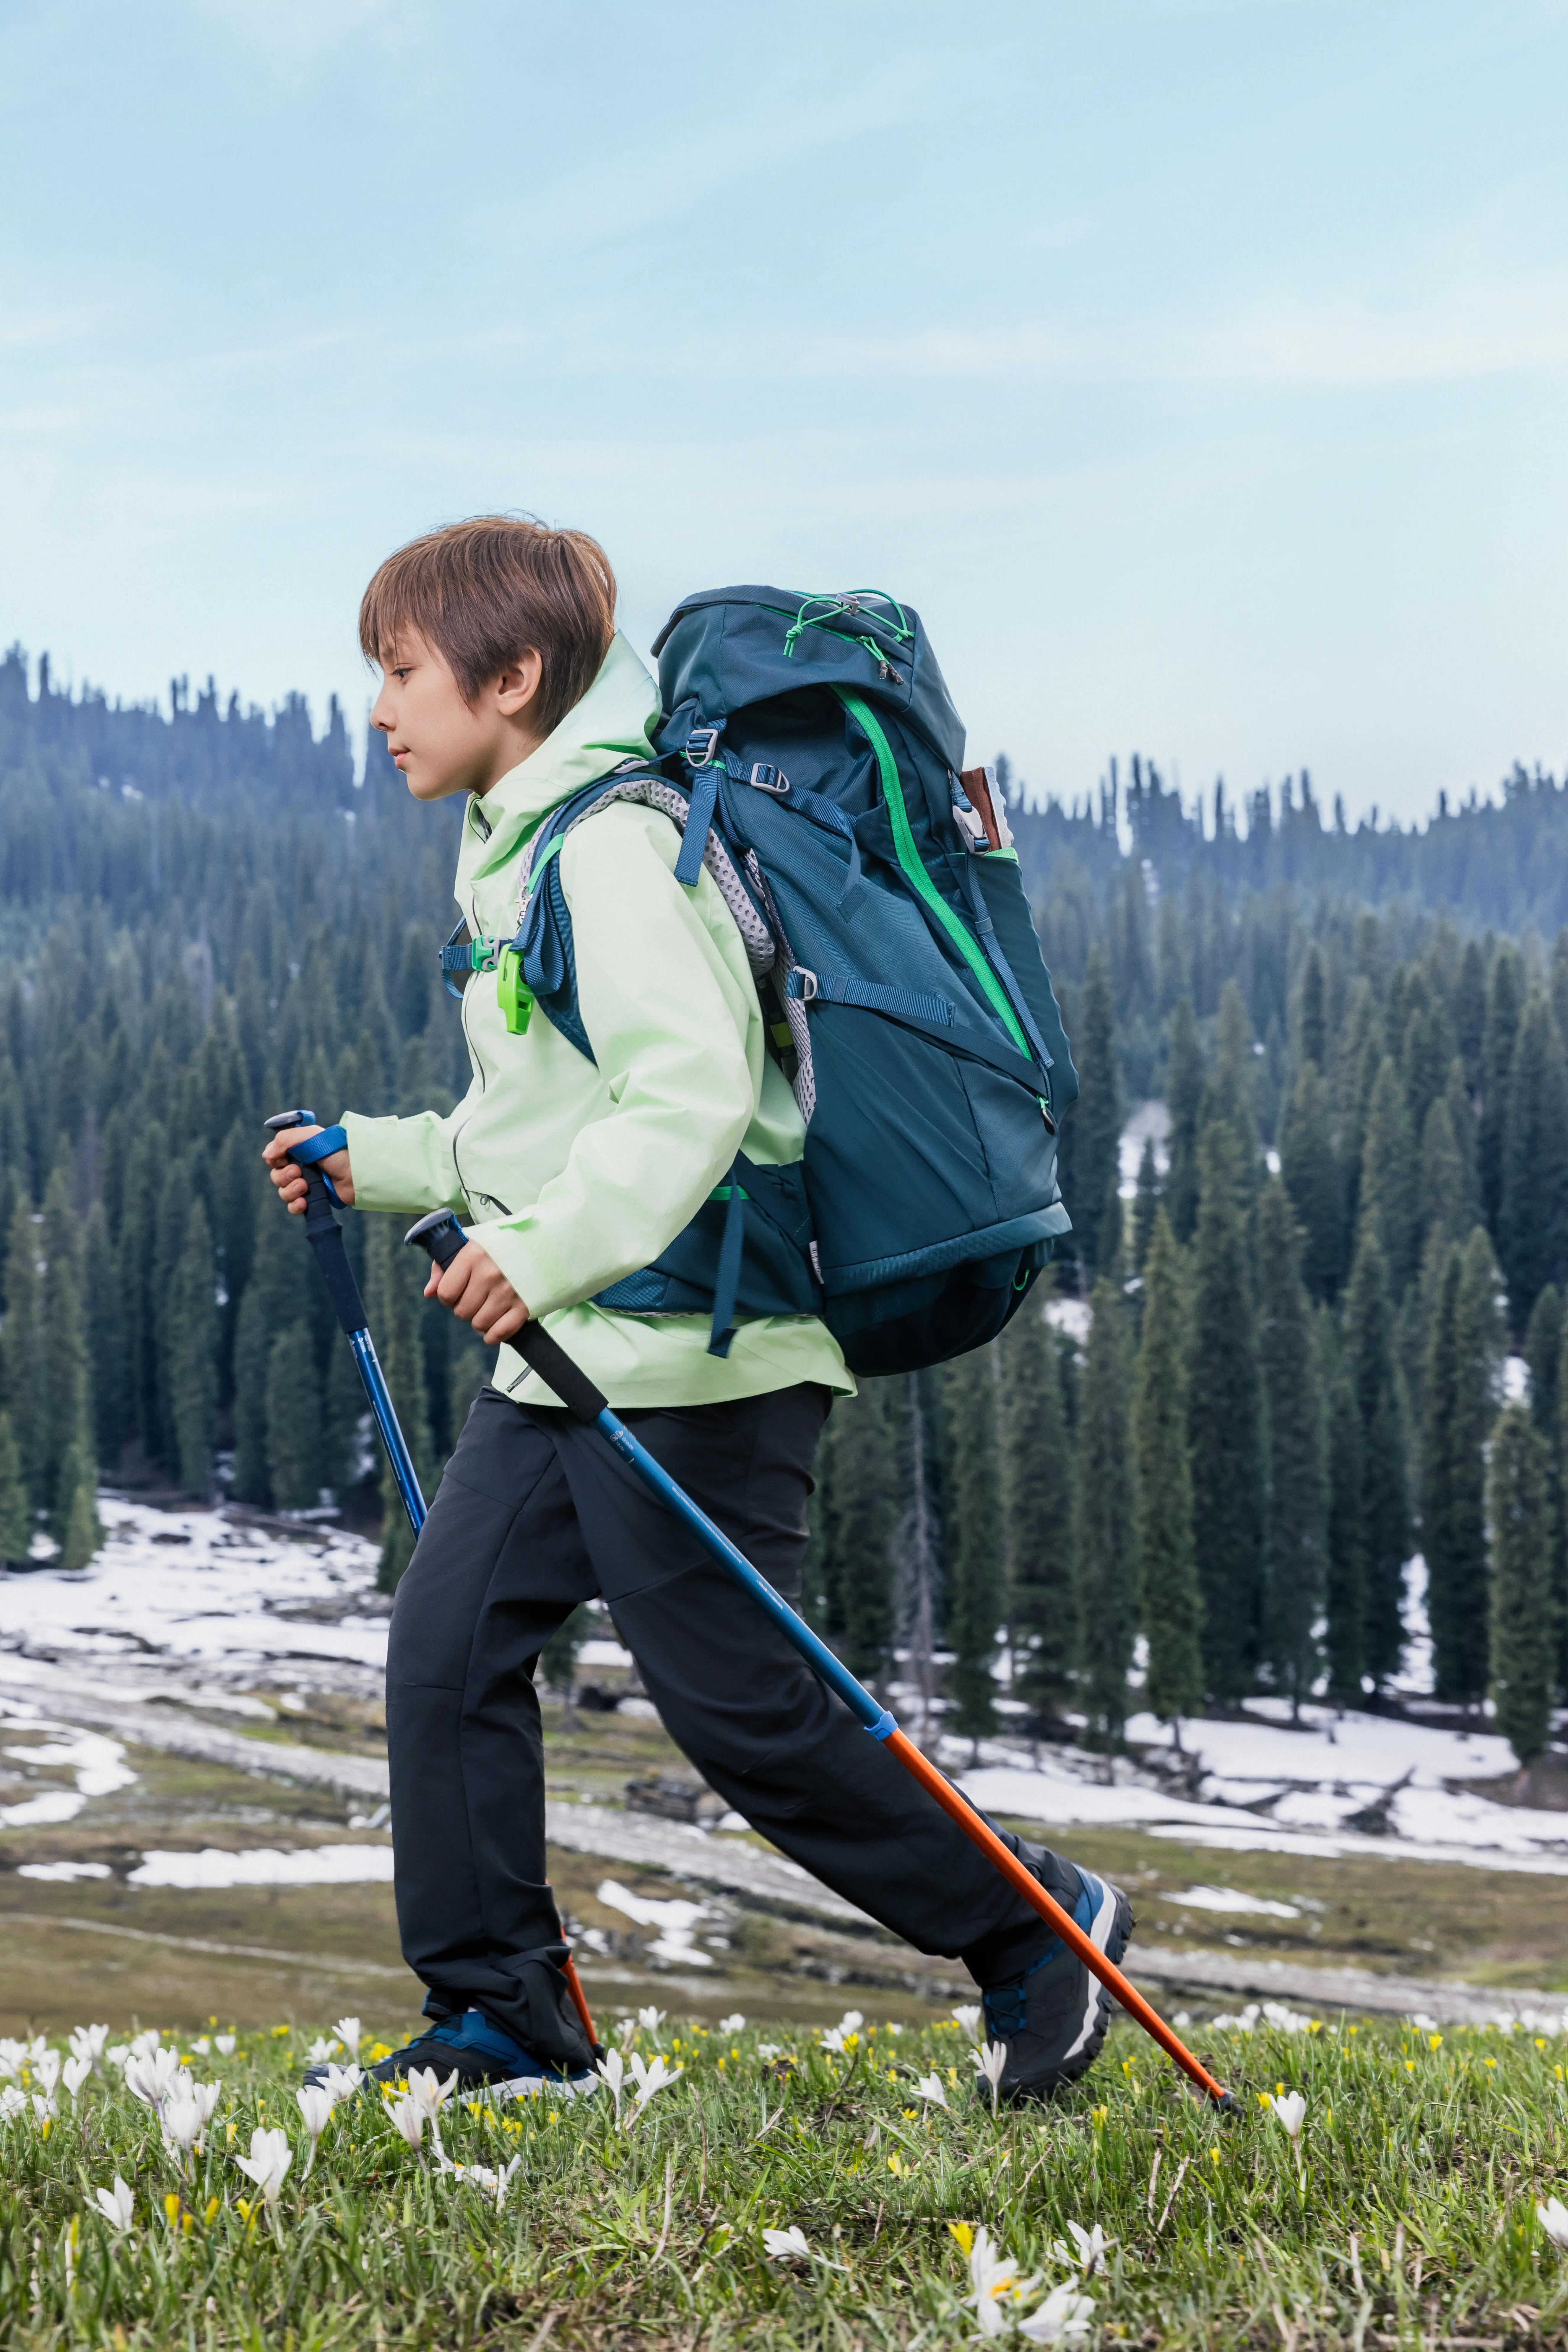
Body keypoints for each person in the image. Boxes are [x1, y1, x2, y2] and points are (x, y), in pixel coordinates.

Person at [264, 515, 1132, 2102]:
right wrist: (368, 1159)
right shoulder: (530, 845)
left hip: (700, 1357)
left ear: (511, 676)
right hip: (577, 1356)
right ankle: (511, 2022)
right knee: (445, 1656)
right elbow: (524, 1131)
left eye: (400, 673)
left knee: (752, 1719)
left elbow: (693, 1097)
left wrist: (545, 1255)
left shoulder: (610, 844)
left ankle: (1038, 1933)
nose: (379, 709)